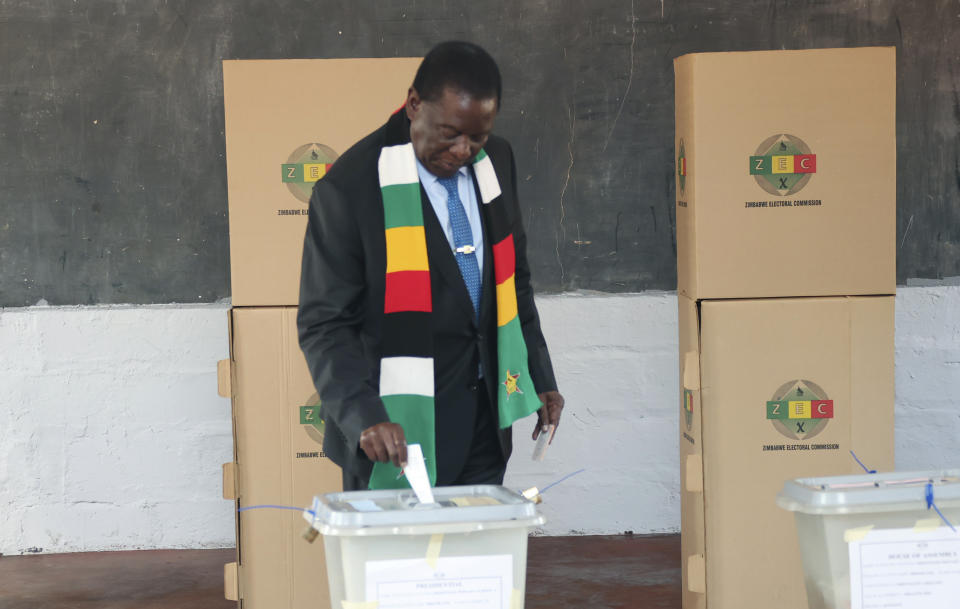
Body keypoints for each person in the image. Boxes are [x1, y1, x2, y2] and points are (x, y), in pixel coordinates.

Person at [297, 40, 564, 491]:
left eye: (476, 136)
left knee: (475, 561)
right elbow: (326, 324)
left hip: (485, 424)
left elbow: (512, 281)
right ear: (414, 104)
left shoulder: (496, 159)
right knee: (401, 563)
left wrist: (539, 375)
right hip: (394, 434)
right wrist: (366, 418)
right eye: (449, 133)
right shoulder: (350, 190)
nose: (463, 150)